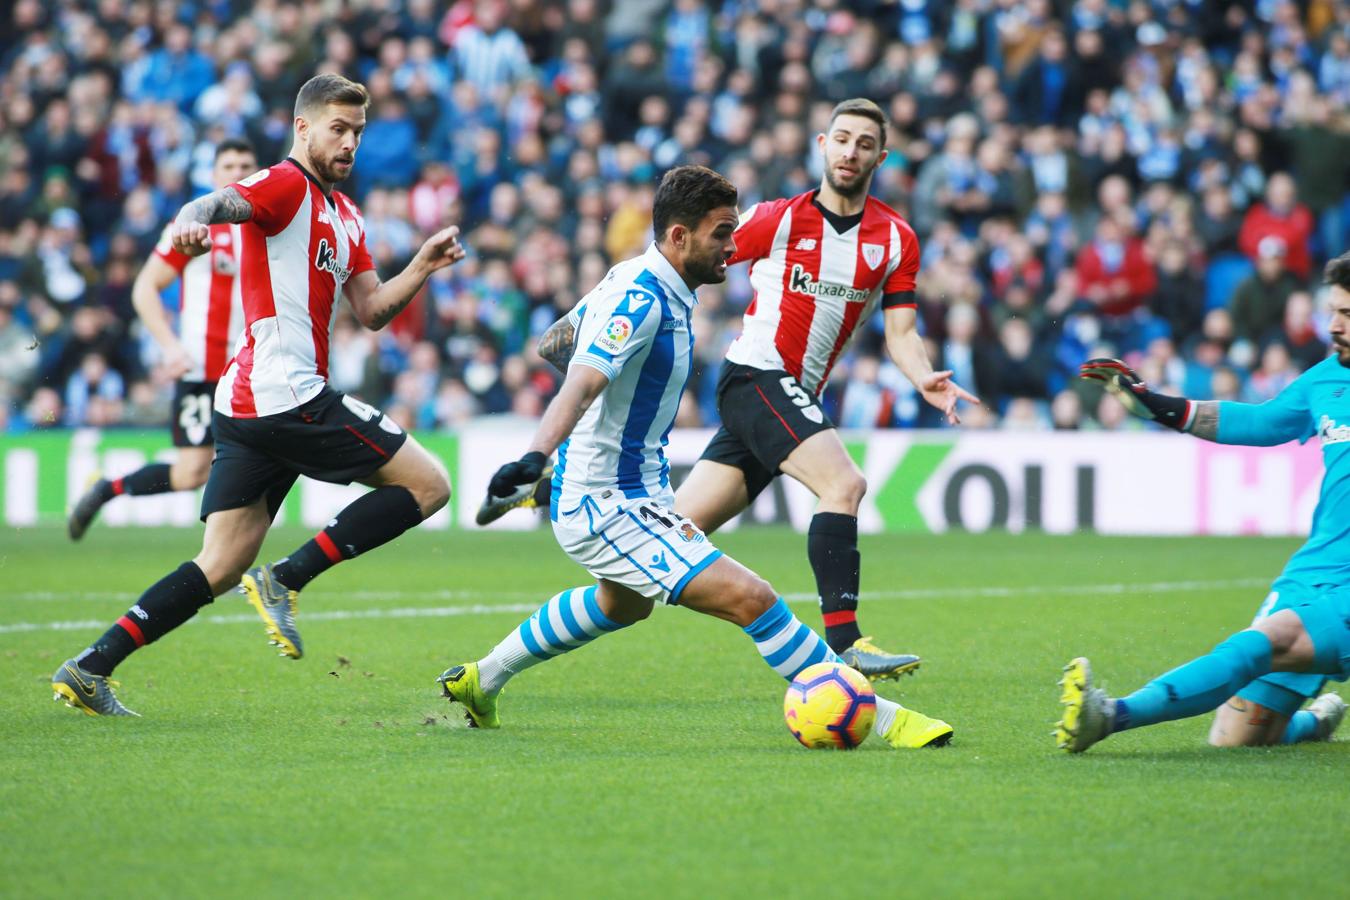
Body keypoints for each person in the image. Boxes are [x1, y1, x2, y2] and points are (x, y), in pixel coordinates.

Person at [440, 165, 954, 749]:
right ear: (679, 237)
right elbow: (580, 379)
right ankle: (888, 719)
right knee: (752, 598)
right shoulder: (640, 298)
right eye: (722, 233)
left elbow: (555, 340)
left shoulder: (649, 283)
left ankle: (482, 679)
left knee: (621, 604)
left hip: (639, 493)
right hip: (607, 504)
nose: (733, 247)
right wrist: (538, 455)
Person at [51, 73, 466, 716]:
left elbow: (374, 309)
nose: (350, 142)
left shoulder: (346, 215)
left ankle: (88, 668)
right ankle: (285, 579)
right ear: (303, 128)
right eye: (338, 128)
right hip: (287, 392)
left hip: (248, 403)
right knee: (429, 486)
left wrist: (421, 265)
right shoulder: (284, 184)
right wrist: (191, 219)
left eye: (357, 131)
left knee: (217, 565)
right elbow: (221, 203)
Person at [1055, 252, 1350, 752]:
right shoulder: (1326, 379)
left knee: (1267, 640)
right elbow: (1259, 422)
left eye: (1346, 314)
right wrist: (1158, 406)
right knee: (1233, 740)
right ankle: (1313, 723)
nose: (1332, 325)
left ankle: (1107, 715)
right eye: (1332, 310)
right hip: (1314, 569)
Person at [66, 139, 258, 540]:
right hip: (203, 370)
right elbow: (145, 288)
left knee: (268, 456)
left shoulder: (271, 229)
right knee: (191, 473)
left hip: (255, 373)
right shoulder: (192, 226)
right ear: (214, 175)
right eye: (229, 165)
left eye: (246, 164)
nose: (238, 172)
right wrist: (170, 346)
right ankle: (108, 489)